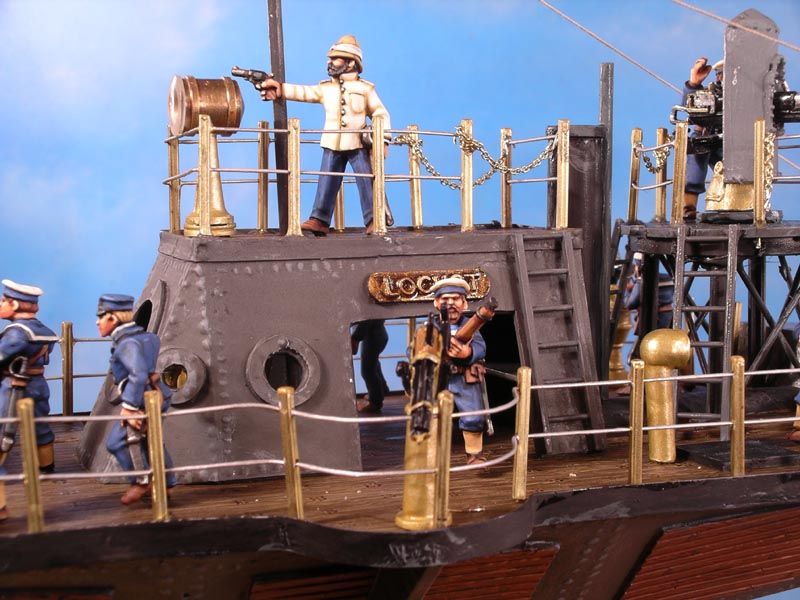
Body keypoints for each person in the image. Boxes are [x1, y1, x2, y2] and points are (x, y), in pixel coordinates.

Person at [258, 34, 391, 236]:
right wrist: (280, 90)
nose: (330, 62)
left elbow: (381, 113)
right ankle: (319, 219)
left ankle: (374, 219)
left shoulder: (365, 89)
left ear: (350, 62)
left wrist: (383, 140)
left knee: (367, 180)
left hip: (357, 144)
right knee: (326, 180)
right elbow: (304, 92)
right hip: (332, 143)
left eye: (335, 58)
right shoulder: (326, 89)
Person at [96, 294, 177, 505]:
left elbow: (139, 374)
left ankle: (141, 482)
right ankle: (166, 483)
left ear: (113, 319)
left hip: (142, 399)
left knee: (116, 443)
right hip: (157, 394)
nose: (97, 322)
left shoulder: (126, 344)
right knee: (151, 440)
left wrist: (130, 407)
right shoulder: (148, 337)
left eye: (101, 317)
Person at [0, 280, 59, 520]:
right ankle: (46, 468)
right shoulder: (43, 330)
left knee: (3, 433)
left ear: (14, 305)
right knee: (40, 427)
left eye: (4, 301)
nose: (1, 304)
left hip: (14, 388)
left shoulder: (16, 333)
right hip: (38, 385)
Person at [429, 276, 488, 465]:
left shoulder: (471, 325)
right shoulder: (430, 327)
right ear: (436, 303)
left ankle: (474, 454)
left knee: (473, 416)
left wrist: (467, 353)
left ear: (464, 303)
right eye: (445, 299)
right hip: (437, 378)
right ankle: (431, 457)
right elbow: (413, 349)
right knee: (432, 416)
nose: (451, 304)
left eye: (456, 299)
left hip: (464, 378)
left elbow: (480, 347)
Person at [681, 57, 724, 221]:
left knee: (734, 171)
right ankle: (688, 207)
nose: (720, 77)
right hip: (706, 134)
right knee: (695, 162)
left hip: (730, 141)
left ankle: (737, 204)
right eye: (719, 74)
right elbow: (690, 105)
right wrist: (694, 84)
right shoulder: (710, 94)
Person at [623, 253, 674, 331]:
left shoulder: (640, 282)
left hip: (652, 320)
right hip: (668, 317)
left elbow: (630, 304)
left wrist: (627, 291)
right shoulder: (668, 278)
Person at [351, 320, 390, 414]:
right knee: (373, 363)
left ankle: (375, 402)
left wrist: (355, 338)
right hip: (378, 334)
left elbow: (367, 320)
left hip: (372, 336)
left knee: (367, 371)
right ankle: (381, 389)